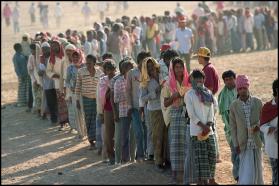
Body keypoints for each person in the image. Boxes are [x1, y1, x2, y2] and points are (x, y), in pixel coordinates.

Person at [184, 69, 218, 185]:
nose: (199, 80)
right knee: (200, 158)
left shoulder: (208, 92)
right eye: (196, 78)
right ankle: (201, 182)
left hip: (209, 130)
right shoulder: (189, 94)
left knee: (212, 155)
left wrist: (208, 125)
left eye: (201, 78)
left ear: (204, 79)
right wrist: (203, 126)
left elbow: (211, 111)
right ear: (192, 80)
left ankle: (211, 180)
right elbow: (191, 114)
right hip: (196, 131)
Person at [229, 75, 263, 184]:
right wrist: (236, 144)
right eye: (240, 89)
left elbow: (263, 120)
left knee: (258, 169)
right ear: (237, 90)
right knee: (246, 171)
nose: (242, 91)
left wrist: (258, 125)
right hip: (243, 143)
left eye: (244, 88)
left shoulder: (257, 102)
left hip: (256, 141)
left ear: (248, 87)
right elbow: (233, 128)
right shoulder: (234, 106)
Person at [161, 57, 190, 184]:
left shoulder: (189, 81)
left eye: (181, 67)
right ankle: (174, 175)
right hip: (175, 115)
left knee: (187, 145)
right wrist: (175, 96)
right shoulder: (168, 84)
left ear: (184, 68)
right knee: (174, 145)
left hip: (188, 115)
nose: (179, 70)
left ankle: (187, 175)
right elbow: (165, 103)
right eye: (176, 67)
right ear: (172, 69)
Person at [140, 57, 168, 172]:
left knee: (166, 135)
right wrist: (154, 92)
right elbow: (143, 99)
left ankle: (166, 160)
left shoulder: (162, 75)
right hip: (155, 109)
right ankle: (158, 162)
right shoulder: (145, 81)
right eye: (148, 67)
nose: (151, 68)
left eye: (152, 65)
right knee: (157, 136)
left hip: (166, 108)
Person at [197, 47, 221, 163]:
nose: (197, 58)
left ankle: (215, 155)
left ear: (202, 57)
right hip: (210, 99)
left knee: (211, 126)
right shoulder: (209, 68)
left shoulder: (207, 69)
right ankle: (216, 154)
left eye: (198, 56)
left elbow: (209, 88)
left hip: (208, 100)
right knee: (212, 126)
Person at [127, 52, 152, 161]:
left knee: (147, 131)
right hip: (135, 107)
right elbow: (128, 90)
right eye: (144, 61)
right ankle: (140, 155)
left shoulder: (150, 72)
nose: (145, 63)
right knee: (138, 132)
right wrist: (129, 106)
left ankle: (146, 153)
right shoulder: (132, 73)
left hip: (147, 106)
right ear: (139, 61)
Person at [75, 54, 102, 149]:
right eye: (87, 63)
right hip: (86, 99)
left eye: (90, 63)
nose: (88, 65)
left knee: (96, 118)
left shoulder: (99, 73)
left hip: (97, 99)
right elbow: (77, 86)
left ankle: (96, 139)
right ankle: (91, 141)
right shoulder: (81, 72)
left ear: (94, 63)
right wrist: (77, 100)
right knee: (88, 119)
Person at [218, 70, 239, 182]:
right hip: (231, 130)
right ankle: (237, 176)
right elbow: (224, 116)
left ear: (235, 79)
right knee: (235, 152)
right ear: (224, 82)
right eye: (226, 80)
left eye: (231, 79)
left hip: (246, 128)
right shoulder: (222, 96)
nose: (229, 81)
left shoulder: (242, 89)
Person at [114, 61, 134, 163]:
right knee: (124, 137)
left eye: (131, 69)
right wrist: (128, 96)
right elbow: (116, 98)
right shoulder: (118, 82)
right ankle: (125, 158)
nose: (130, 71)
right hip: (124, 112)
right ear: (122, 71)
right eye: (127, 69)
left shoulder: (135, 80)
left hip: (135, 111)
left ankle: (134, 158)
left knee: (134, 136)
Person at [46, 39, 68, 130]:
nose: (54, 47)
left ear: (59, 46)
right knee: (61, 104)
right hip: (58, 84)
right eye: (53, 46)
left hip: (67, 83)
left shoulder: (65, 56)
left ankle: (71, 122)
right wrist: (54, 75)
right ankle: (63, 122)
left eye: (56, 45)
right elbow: (48, 71)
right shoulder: (51, 59)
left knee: (68, 103)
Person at [65, 49, 87, 137]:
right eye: (73, 57)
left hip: (85, 93)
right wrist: (71, 87)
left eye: (76, 56)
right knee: (77, 113)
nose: (75, 58)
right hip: (75, 93)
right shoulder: (70, 68)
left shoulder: (85, 66)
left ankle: (86, 131)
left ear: (80, 56)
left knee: (85, 112)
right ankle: (80, 133)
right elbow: (66, 81)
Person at [260, 79, 278, 185]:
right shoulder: (267, 107)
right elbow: (262, 125)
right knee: (276, 174)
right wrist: (269, 128)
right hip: (273, 146)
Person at [13, 43, 29, 107]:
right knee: (22, 89)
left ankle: (26, 102)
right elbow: (16, 68)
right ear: (18, 48)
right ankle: (21, 103)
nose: (22, 48)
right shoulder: (15, 57)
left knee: (26, 88)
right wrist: (19, 75)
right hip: (21, 75)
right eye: (21, 47)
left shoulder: (22, 54)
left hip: (26, 74)